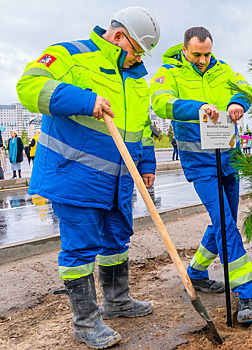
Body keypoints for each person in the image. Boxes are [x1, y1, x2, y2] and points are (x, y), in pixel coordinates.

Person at [16, 7, 160, 349]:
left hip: (119, 181)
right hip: (76, 175)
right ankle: (86, 322)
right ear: (120, 36)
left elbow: (141, 130)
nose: (138, 58)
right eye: (137, 50)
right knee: (80, 249)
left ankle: (117, 300)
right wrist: (84, 99)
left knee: (116, 240)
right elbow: (28, 87)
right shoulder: (70, 55)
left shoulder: (137, 81)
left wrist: (147, 164)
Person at [150, 26, 252, 323]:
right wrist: (199, 108)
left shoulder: (223, 69)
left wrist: (238, 103)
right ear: (185, 48)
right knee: (224, 223)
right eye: (197, 54)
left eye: (207, 53)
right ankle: (246, 292)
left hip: (229, 156)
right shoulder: (168, 72)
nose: (202, 59)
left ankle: (196, 272)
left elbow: (246, 89)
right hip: (199, 160)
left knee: (225, 222)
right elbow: (161, 103)